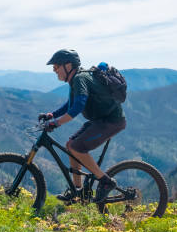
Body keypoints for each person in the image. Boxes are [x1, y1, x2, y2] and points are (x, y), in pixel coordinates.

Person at [39, 49, 126, 203]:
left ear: (68, 65)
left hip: (111, 122)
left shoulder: (80, 78)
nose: (54, 70)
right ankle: (78, 191)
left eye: (56, 66)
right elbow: (70, 104)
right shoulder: (76, 79)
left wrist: (56, 123)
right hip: (100, 121)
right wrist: (52, 115)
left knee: (77, 147)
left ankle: (106, 182)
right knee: (70, 145)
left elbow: (78, 106)